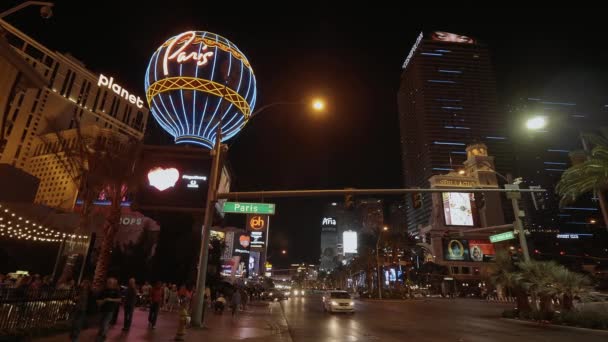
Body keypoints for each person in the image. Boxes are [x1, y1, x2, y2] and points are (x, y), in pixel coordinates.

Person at [95, 278, 121, 342]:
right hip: (102, 309)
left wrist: (110, 299)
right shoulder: (103, 290)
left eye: (110, 282)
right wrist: (102, 301)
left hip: (110, 310)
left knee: (105, 323)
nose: (109, 284)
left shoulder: (115, 291)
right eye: (108, 282)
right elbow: (98, 300)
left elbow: (119, 299)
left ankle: (102, 335)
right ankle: (100, 333)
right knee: (101, 322)